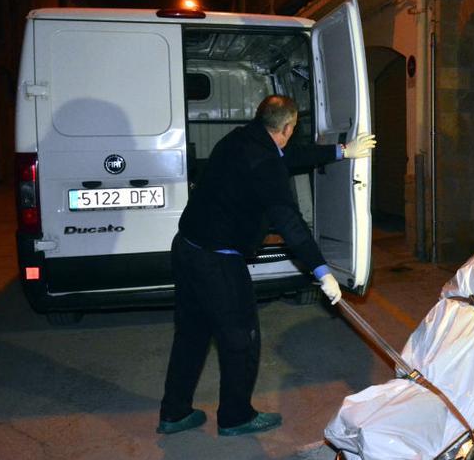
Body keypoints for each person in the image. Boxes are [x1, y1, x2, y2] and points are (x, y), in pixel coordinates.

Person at [157, 95, 376, 436]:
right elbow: (290, 222)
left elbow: (288, 156)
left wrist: (342, 151)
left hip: (186, 248)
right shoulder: (265, 164)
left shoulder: (240, 138)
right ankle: (235, 416)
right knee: (242, 337)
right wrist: (321, 270)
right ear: (288, 127)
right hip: (217, 260)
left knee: (192, 335)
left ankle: (174, 413)